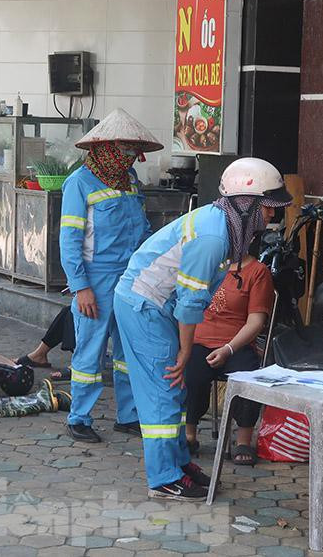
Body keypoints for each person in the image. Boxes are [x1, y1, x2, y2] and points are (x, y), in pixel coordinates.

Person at [113, 157, 293, 500]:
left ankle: (179, 464)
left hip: (154, 305)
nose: (273, 216)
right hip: (145, 306)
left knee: (173, 392)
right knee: (164, 391)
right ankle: (164, 478)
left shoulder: (220, 224)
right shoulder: (212, 236)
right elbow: (190, 302)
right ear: (246, 204)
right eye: (268, 208)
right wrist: (185, 352)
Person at [58, 108, 162, 444]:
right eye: (126, 150)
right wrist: (80, 288)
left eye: (134, 150)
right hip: (96, 279)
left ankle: (128, 415)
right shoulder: (78, 183)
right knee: (90, 351)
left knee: (128, 350)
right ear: (106, 149)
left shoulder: (129, 181)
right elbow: (69, 241)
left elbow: (142, 228)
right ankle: (79, 418)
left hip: (131, 277)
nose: (132, 157)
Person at [184, 244, 274, 465]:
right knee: (191, 371)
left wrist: (228, 348)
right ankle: (189, 435)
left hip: (237, 344)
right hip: (199, 340)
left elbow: (256, 322)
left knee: (249, 376)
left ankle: (243, 440)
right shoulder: (206, 265)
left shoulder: (257, 271)